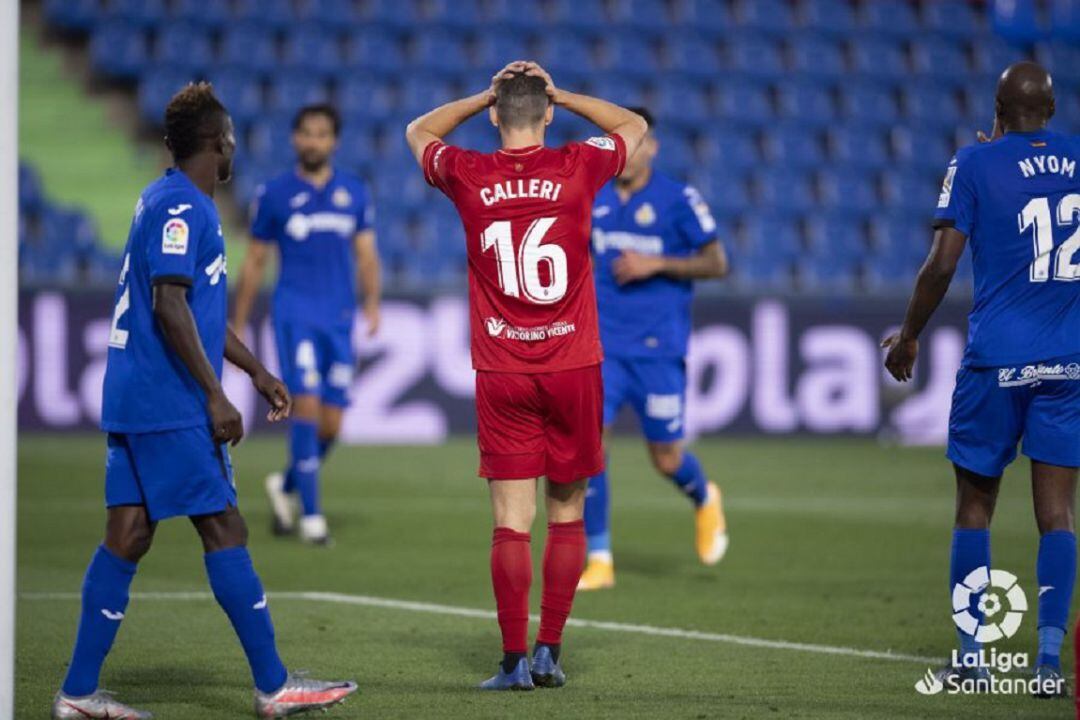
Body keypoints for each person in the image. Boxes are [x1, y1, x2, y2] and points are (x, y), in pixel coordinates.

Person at [51, 83, 358, 719]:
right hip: (169, 400)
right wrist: (217, 396)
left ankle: (78, 695)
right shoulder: (183, 208)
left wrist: (255, 370)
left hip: (135, 395)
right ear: (221, 144)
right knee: (224, 525)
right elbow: (169, 305)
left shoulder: (166, 200)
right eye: (232, 139)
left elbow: (194, 308)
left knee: (128, 534)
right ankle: (274, 686)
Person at [405, 61, 647, 690]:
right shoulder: (578, 166)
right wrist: (561, 93)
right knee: (567, 512)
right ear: (546, 115)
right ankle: (549, 653)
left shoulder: (467, 172)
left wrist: (481, 93)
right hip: (573, 365)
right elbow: (634, 125)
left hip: (504, 368)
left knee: (511, 520)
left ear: (491, 115)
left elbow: (417, 132)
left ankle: (512, 662)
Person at [883, 61, 1077, 698]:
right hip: (1067, 362)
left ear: (997, 109)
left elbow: (942, 263)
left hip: (999, 358)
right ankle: (1049, 665)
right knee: (1057, 515)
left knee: (974, 508)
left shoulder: (974, 161)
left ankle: (973, 658)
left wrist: (909, 334)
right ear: (1050, 109)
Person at [579, 107, 729, 591]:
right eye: (621, 141)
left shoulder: (678, 198)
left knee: (665, 457)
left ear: (653, 147)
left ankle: (705, 495)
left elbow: (717, 262)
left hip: (658, 347)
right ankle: (599, 558)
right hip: (599, 347)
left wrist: (656, 264)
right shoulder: (592, 194)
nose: (628, 152)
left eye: (638, 141)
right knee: (589, 453)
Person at [232, 103, 381, 546]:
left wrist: (372, 303)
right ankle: (312, 519)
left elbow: (367, 254)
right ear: (295, 139)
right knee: (308, 407)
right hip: (295, 314)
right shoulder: (274, 193)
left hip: (339, 317)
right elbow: (256, 259)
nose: (314, 141)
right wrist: (237, 320)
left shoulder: (353, 192)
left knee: (332, 427)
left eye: (322, 133)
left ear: (333, 141)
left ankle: (286, 485)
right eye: (306, 133)